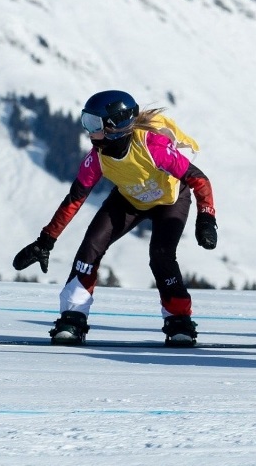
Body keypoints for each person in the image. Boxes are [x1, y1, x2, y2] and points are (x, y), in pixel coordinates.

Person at [12, 90, 219, 346]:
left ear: (115, 127)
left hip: (170, 200)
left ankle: (179, 321)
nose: (88, 131)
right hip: (129, 199)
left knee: (161, 256)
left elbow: (200, 179)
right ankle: (73, 317)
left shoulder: (153, 147)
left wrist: (206, 218)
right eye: (86, 121)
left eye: (94, 124)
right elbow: (74, 199)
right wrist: (46, 241)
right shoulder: (97, 157)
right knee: (90, 248)